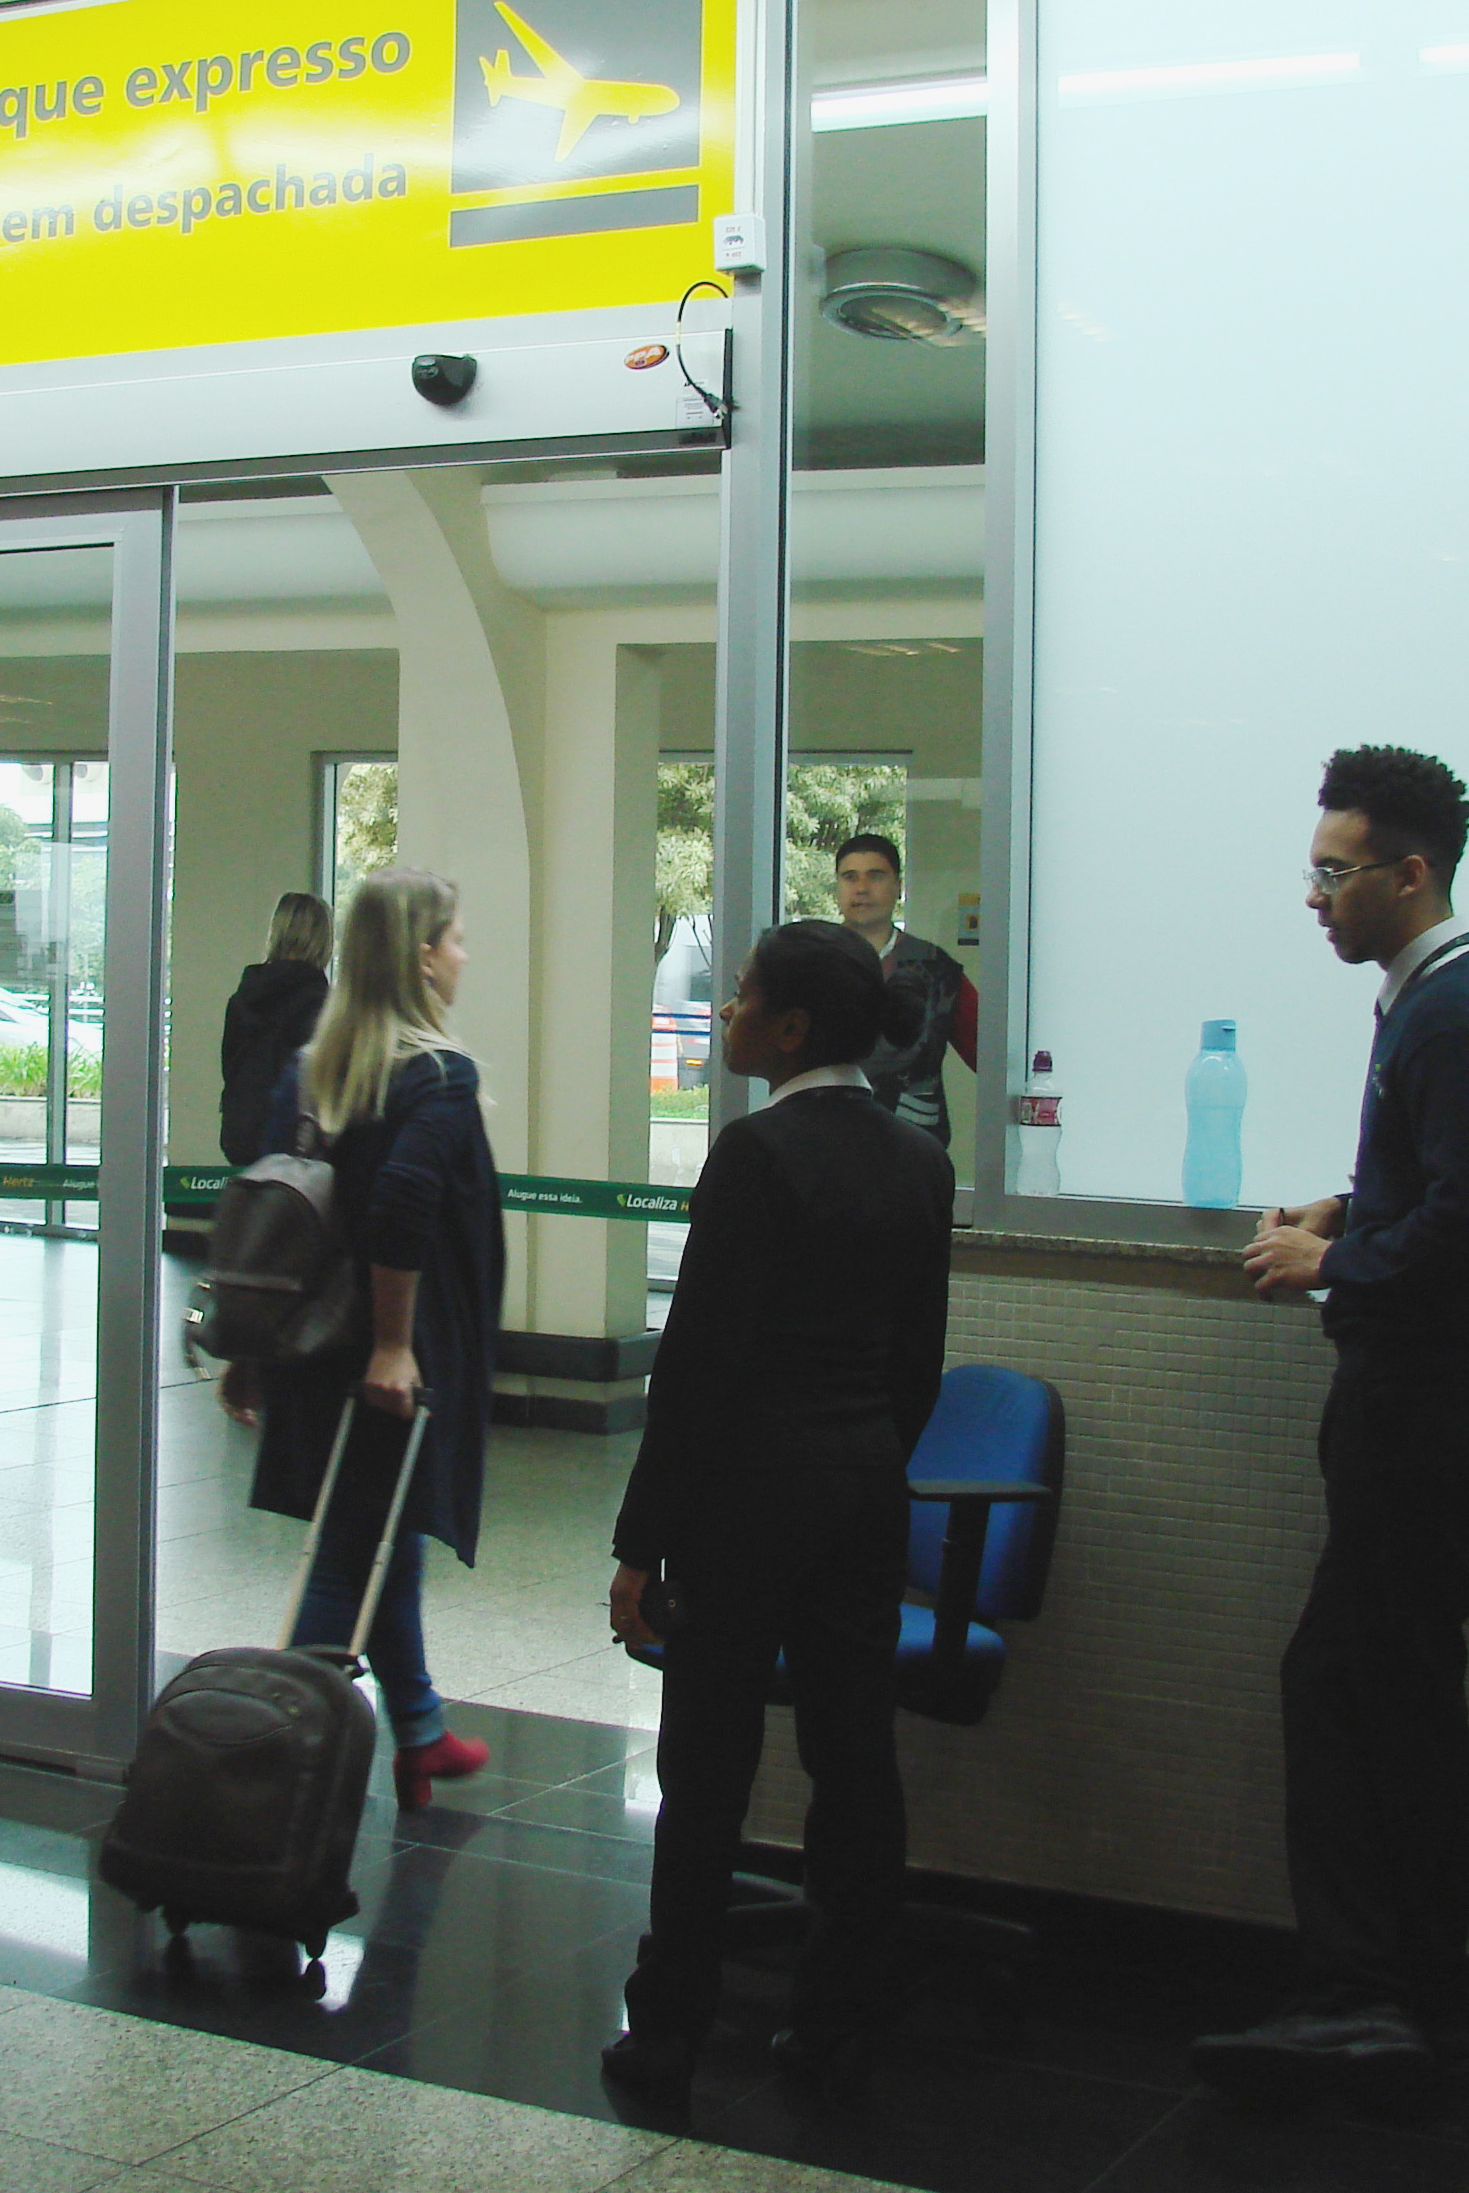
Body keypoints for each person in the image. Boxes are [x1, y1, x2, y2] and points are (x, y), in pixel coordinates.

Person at [1190, 745, 1469, 2112]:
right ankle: (1405, 2000)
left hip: (1435, 1404)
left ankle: (1370, 2003)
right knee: (1382, 1690)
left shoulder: (1453, 1013)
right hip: (1444, 1400)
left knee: (1356, 1689)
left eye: (1337, 872)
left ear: (1412, 874)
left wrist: (1333, 1266)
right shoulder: (1443, 1001)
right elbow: (1445, 1184)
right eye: (1315, 870)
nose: (1317, 898)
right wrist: (1351, 1211)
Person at [600, 921, 953, 2106]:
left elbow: (696, 1370)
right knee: (856, 1765)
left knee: (709, 1769)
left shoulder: (753, 1156)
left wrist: (640, 1543)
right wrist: (866, 1459)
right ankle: (840, 2021)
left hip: (747, 1501)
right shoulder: (919, 1164)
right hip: (864, 1490)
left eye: (743, 996)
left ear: (790, 1027)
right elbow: (919, 1365)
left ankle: (670, 2028)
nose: (731, 1011)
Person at [218, 868, 502, 1810]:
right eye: (456, 940)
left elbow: (279, 1218)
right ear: (423, 956)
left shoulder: (315, 1068)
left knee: (382, 1526)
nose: (464, 957)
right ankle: (265, 1773)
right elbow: (404, 1206)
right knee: (349, 1556)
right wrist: (394, 1343)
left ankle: (417, 1727)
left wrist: (253, 1354)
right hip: (389, 1351)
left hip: (310, 1340)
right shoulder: (436, 1075)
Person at [833, 833, 977, 1142]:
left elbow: (990, 1055)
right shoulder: (807, 960)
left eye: (876, 876)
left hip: (915, 1142)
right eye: (850, 877)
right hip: (824, 1137)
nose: (861, 888)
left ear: (898, 887)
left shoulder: (937, 968)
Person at [218, 890, 333, 1166]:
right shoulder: (324, 1006)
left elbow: (230, 1068)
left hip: (242, 1136)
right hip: (298, 1147)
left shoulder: (244, 998)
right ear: (322, 941)